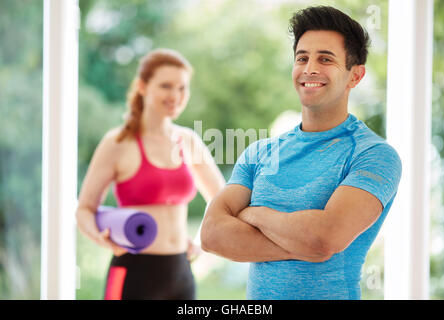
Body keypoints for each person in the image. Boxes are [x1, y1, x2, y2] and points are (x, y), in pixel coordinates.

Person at [201, 6, 402, 300]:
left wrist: (254, 213)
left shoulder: (374, 155)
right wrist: (303, 244)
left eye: (325, 59)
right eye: (302, 58)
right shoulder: (259, 153)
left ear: (355, 76)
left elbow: (324, 239)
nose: (309, 69)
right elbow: (211, 235)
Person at [76, 48, 225, 300]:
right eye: (166, 86)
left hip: (180, 272)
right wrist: (102, 240)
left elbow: (221, 201)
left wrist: (201, 241)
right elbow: (84, 209)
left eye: (182, 88)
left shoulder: (189, 140)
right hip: (133, 272)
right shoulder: (117, 142)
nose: (176, 96)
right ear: (142, 86)